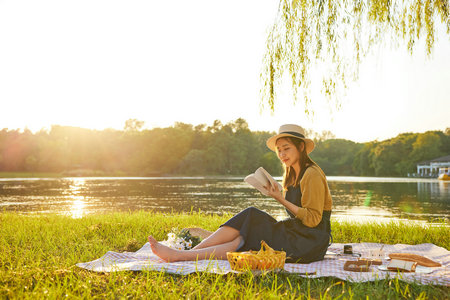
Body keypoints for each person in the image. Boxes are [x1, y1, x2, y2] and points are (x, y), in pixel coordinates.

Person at [148, 124, 332, 263]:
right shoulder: (292, 174)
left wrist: (278, 198)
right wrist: (276, 195)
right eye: (279, 150)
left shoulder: (311, 174)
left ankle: (182, 255)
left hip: (309, 243)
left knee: (250, 225)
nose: (282, 154)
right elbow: (297, 214)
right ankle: (186, 254)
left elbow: (312, 220)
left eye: (287, 148)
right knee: (249, 223)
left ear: (301, 148)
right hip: (297, 233)